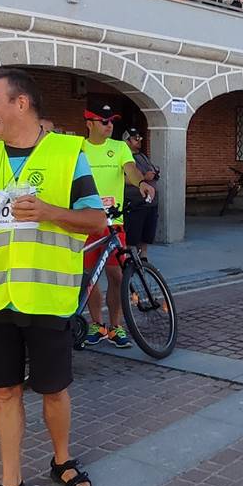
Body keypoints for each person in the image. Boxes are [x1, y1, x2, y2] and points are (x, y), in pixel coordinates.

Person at [0, 68, 106, 486]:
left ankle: (61, 460)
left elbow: (96, 221)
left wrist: (48, 212)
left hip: (48, 298)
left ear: (21, 104)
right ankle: (11, 484)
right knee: (4, 392)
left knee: (53, 390)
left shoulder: (67, 152)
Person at [81, 100, 155, 348]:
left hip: (114, 222)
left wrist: (141, 182)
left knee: (116, 275)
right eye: (104, 122)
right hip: (85, 221)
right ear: (89, 123)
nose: (109, 126)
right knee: (90, 278)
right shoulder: (77, 148)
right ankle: (96, 324)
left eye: (112, 121)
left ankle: (116, 327)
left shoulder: (120, 148)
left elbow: (131, 170)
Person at [123, 127, 160, 260]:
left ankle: (143, 259)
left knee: (146, 234)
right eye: (135, 138)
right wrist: (144, 177)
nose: (139, 141)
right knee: (132, 234)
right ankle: (126, 260)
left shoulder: (142, 155)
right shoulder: (124, 156)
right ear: (127, 141)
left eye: (140, 138)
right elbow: (122, 178)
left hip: (150, 202)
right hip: (135, 202)